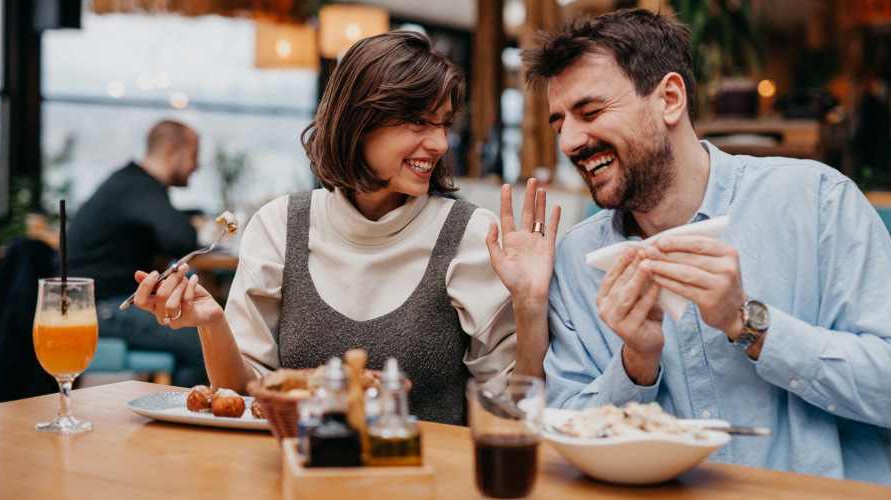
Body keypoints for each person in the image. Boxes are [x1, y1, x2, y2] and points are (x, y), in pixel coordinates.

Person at [492, 8, 891, 489]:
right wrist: (635, 365)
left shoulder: (818, 202)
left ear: (669, 99)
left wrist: (749, 324)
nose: (571, 141)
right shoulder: (578, 260)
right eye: (559, 124)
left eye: (591, 112)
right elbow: (565, 424)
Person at [128, 31, 554, 425]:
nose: (441, 143)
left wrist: (531, 307)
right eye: (419, 123)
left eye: (443, 124)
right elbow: (243, 398)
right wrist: (212, 324)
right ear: (359, 123)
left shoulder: (471, 234)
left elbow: (511, 406)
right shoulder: (281, 226)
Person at [68, 119, 207, 387]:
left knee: (198, 333)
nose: (196, 166)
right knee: (204, 343)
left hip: (102, 302)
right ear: (171, 151)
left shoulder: (129, 184)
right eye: (193, 155)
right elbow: (181, 239)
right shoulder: (139, 187)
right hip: (102, 308)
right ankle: (183, 420)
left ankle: (175, 411)